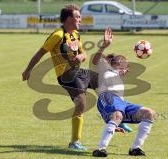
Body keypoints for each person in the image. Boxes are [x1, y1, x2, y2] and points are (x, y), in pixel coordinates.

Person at [22, 4, 98, 151]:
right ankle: (75, 142)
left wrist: (79, 58)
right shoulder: (58, 35)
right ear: (69, 19)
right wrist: (28, 70)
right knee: (81, 103)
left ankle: (116, 117)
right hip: (66, 75)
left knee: (105, 82)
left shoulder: (75, 34)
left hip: (78, 71)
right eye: (78, 17)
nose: (81, 19)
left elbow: (83, 54)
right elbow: (40, 53)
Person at [91, 28, 155, 157]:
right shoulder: (105, 67)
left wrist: (115, 122)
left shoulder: (117, 75)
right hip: (107, 98)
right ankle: (101, 149)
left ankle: (135, 148)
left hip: (120, 103)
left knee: (149, 113)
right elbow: (95, 60)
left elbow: (117, 105)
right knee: (118, 114)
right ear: (116, 62)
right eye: (124, 63)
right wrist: (104, 45)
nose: (126, 67)